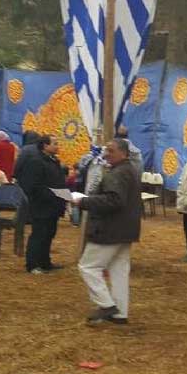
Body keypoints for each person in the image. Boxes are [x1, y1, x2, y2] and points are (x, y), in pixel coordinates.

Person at [73, 138, 142, 325]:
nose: (106, 154)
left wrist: (83, 201)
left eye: (111, 151)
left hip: (110, 229)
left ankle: (106, 305)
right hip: (125, 229)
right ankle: (120, 313)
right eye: (106, 150)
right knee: (118, 271)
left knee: (88, 266)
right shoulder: (130, 170)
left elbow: (113, 201)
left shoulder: (117, 173)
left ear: (124, 153)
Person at [19, 135, 66, 275]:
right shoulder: (36, 161)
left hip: (54, 205)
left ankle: (45, 262)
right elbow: (32, 186)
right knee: (39, 234)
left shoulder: (54, 161)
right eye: (55, 143)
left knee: (49, 234)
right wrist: (53, 194)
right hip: (41, 205)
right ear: (45, 145)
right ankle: (32, 265)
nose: (57, 146)